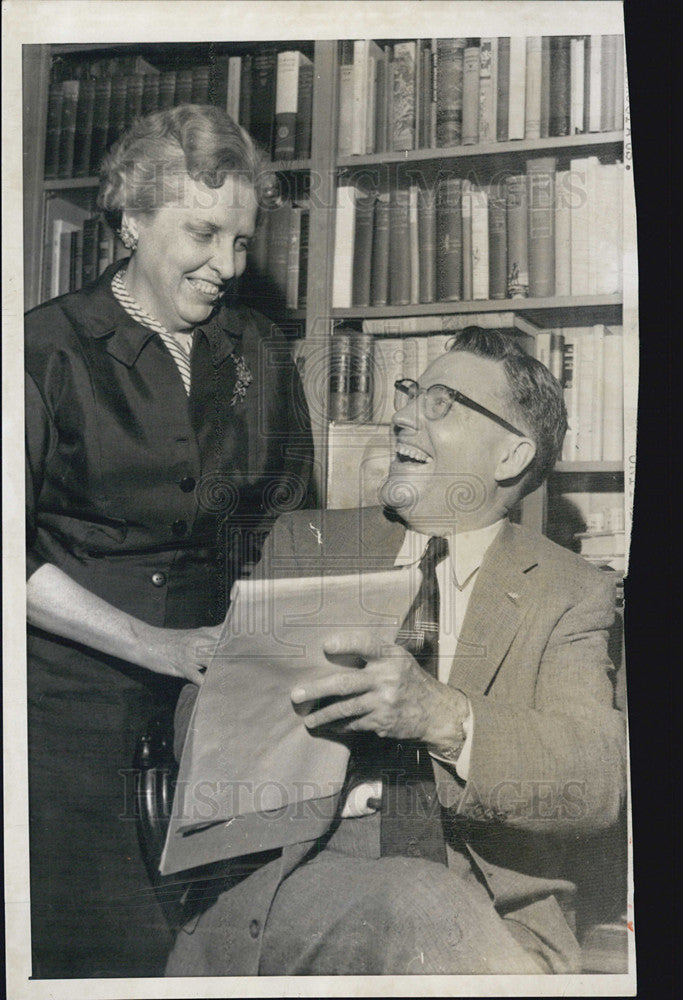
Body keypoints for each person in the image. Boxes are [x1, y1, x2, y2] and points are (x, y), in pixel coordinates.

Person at [166, 327, 626, 977]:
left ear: (509, 455)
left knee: (423, 902)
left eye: (441, 402)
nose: (401, 414)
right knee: (410, 899)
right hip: (296, 885)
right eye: (411, 393)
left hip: (489, 915)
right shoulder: (310, 544)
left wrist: (440, 716)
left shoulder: (571, 591)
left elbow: (594, 784)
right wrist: (259, 699)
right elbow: (194, 727)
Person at [25, 104, 313, 978]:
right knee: (109, 957)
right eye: (202, 234)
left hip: (222, 717)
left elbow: (293, 530)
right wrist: (156, 645)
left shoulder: (260, 354)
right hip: (68, 716)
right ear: (130, 219)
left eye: (240, 242)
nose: (224, 265)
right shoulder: (43, 350)